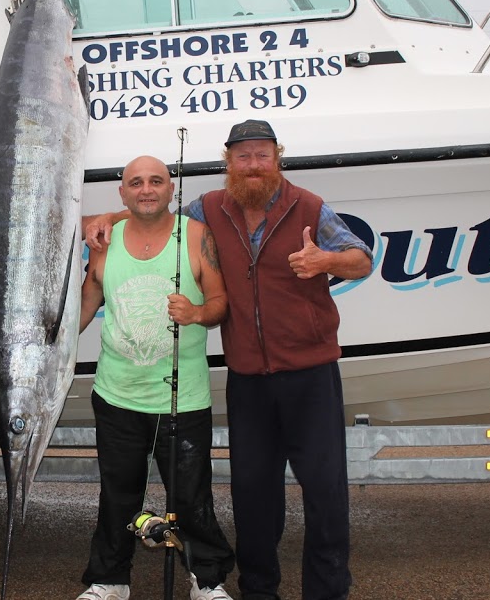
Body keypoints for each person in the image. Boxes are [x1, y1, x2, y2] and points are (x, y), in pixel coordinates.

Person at [86, 120, 372, 600]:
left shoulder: (310, 207)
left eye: (262, 155)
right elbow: (153, 209)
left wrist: (325, 261)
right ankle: (259, 589)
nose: (253, 165)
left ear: (277, 156)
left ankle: (327, 589)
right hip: (248, 378)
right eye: (243, 156)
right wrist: (107, 219)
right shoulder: (210, 209)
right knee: (253, 493)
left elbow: (361, 258)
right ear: (229, 162)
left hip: (310, 373)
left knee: (325, 490)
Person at [76, 156, 235, 600]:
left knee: (191, 497)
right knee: (118, 494)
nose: (146, 189)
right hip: (116, 395)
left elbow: (221, 302)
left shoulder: (198, 237)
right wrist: (53, 344)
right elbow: (87, 301)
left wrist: (198, 312)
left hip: (182, 399)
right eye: (136, 183)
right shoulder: (105, 242)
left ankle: (206, 579)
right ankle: (109, 579)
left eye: (156, 181)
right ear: (122, 193)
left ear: (171, 189)